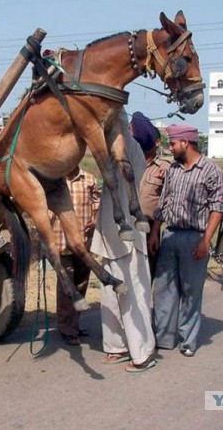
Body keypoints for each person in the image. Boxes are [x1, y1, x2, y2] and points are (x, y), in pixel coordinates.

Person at [148, 123, 223, 357]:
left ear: (186, 143)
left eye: (172, 143)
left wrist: (206, 240)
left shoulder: (212, 171)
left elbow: (217, 209)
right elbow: (164, 203)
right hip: (170, 236)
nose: (170, 148)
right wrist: (155, 232)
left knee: (191, 291)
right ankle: (164, 337)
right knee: (163, 290)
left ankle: (187, 340)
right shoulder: (173, 170)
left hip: (195, 238)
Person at [90, 127, 157, 373]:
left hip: (128, 235)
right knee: (109, 296)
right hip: (110, 234)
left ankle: (143, 352)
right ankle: (116, 346)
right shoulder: (112, 147)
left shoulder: (129, 147)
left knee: (133, 295)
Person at [52, 166, 101, 345]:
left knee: (81, 284)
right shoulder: (53, 179)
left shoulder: (89, 179)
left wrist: (96, 220)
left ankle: (74, 324)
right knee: (67, 288)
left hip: (83, 243)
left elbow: (97, 203)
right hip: (60, 242)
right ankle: (67, 329)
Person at [130, 111, 171, 277]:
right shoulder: (130, 164)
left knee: (146, 275)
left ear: (157, 143)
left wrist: (155, 232)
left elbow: (164, 203)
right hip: (128, 226)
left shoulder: (165, 167)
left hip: (148, 229)